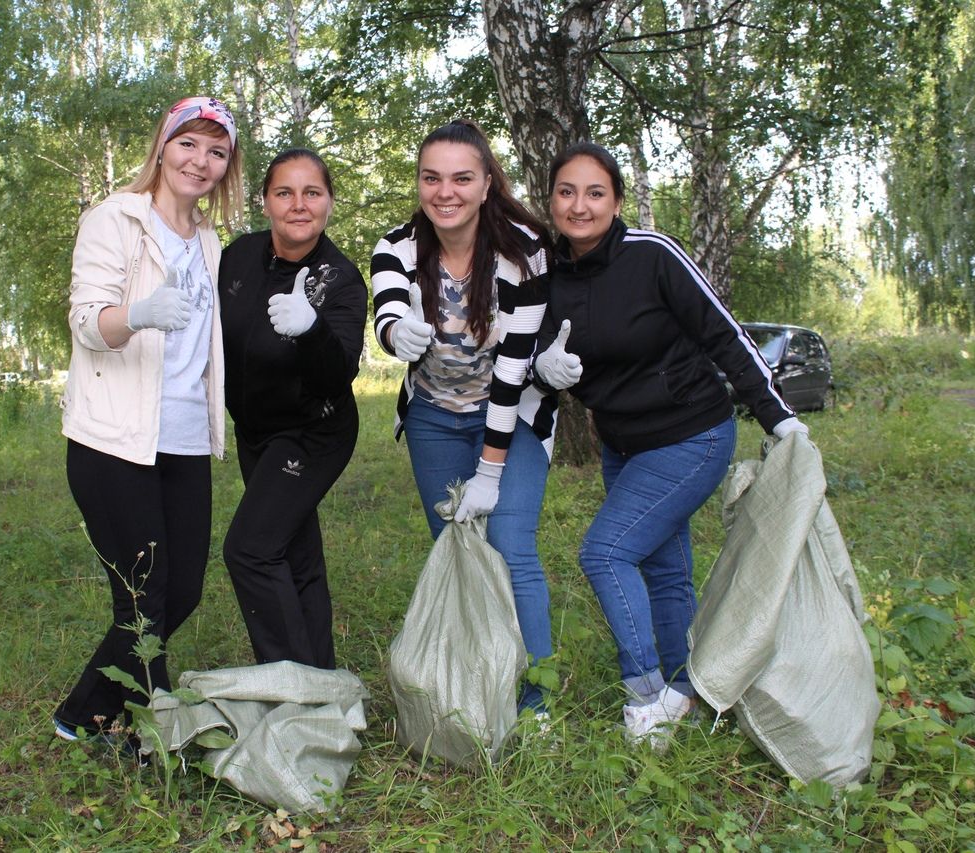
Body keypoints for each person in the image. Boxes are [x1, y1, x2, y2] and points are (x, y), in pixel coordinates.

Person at [535, 141, 807, 747]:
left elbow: (723, 332)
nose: (580, 206)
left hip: (692, 433)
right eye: (566, 192)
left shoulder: (652, 255)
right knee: (663, 568)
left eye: (595, 192)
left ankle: (646, 692)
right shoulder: (546, 273)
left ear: (617, 200)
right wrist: (540, 365)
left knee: (605, 553)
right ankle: (687, 694)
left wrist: (778, 417)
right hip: (622, 445)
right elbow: (528, 349)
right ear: (550, 199)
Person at [54, 97, 244, 748]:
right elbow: (86, 323)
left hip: (187, 437)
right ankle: (150, 726)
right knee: (144, 592)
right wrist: (136, 313)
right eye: (189, 144)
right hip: (115, 439)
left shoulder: (213, 244)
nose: (202, 161)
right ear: (163, 146)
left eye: (217, 151)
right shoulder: (116, 220)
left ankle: (83, 711)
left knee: (182, 588)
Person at [371, 119, 557, 712]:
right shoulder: (396, 245)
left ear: (485, 186)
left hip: (512, 413)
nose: (444, 192)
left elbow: (511, 374)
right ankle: (478, 684)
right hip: (433, 416)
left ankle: (535, 700)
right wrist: (396, 331)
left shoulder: (524, 252)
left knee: (509, 542)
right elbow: (387, 309)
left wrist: (491, 472)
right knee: (455, 549)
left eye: (461, 178)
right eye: (431, 178)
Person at [218, 149, 367, 669]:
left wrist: (312, 329)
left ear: (328, 202)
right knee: (291, 553)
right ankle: (319, 680)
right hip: (254, 430)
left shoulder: (342, 279)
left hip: (313, 432)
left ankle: (293, 692)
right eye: (285, 192)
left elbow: (338, 372)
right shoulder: (237, 257)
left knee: (251, 550)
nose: (298, 205)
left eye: (312, 193)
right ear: (265, 203)